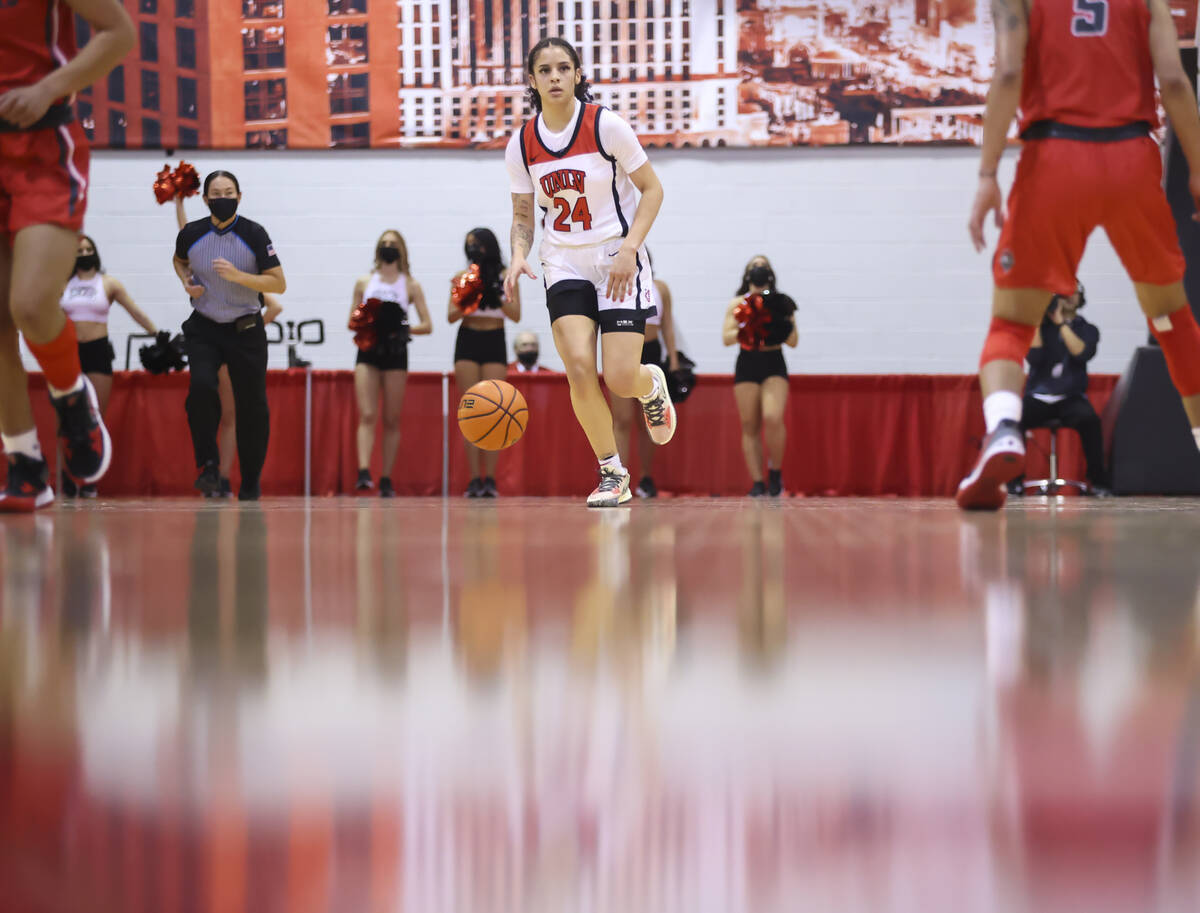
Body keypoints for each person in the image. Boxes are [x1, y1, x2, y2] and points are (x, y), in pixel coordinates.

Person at [960, 0, 1200, 510]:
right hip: (1131, 160)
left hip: (1054, 160)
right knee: (1172, 320)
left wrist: (986, 175)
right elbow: (1175, 82)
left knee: (1010, 326)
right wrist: (1198, 169)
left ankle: (1004, 430)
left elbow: (1007, 73)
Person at [503, 36, 675, 507]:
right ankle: (611, 472)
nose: (555, 77)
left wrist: (631, 249)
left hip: (615, 258)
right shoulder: (522, 143)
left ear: (578, 74)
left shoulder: (606, 125)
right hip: (562, 260)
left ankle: (649, 384)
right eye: (545, 70)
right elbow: (522, 214)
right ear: (532, 81)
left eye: (564, 68)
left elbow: (652, 190)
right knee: (579, 367)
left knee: (619, 378)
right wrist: (519, 253)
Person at [0, 0, 134, 512]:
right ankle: (25, 465)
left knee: (31, 304)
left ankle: (71, 395)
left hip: (41, 146)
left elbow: (119, 34)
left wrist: (47, 88)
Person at [173, 170, 286, 501]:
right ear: (206, 199)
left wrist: (240, 276)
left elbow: (278, 283)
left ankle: (250, 479)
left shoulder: (253, 233)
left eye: (229, 192)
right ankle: (208, 466)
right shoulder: (191, 233)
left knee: (253, 408)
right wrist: (185, 282)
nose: (222, 197)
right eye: (216, 193)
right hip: (205, 327)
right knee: (201, 388)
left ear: (239, 196)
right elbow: (179, 261)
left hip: (246, 329)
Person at [59, 234, 160, 497]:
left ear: (95, 252)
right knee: (68, 418)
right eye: (78, 249)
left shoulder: (108, 283)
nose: (83, 253)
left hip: (97, 352)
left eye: (88, 249)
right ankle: (67, 476)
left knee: (93, 417)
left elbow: (134, 311)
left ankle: (90, 478)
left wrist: (157, 334)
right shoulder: (62, 284)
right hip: (69, 353)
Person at [349, 229, 431, 498]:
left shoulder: (410, 284)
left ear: (402, 250)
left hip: (396, 352)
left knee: (391, 417)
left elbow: (427, 325)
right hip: (369, 351)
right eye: (384, 243)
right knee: (368, 414)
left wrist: (402, 327)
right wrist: (370, 322)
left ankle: (386, 477)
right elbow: (352, 320)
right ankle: (363, 471)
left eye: (393, 244)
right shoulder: (364, 281)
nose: (388, 247)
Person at [1008, 282, 1110, 495]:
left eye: (1075, 291)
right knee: (1015, 418)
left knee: (1090, 421)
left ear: (1081, 298)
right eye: (1064, 292)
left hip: (1071, 398)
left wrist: (1061, 323)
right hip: (1038, 397)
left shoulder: (1088, 329)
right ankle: (1013, 481)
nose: (1069, 296)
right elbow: (1034, 358)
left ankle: (1099, 482)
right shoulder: (1041, 327)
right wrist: (1036, 317)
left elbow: (1080, 353)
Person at [448, 227, 520, 498]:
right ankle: (473, 479)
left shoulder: (505, 276)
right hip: (468, 340)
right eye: (469, 245)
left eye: (476, 244)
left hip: (494, 339)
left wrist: (494, 293)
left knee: (494, 411)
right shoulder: (461, 277)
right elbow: (450, 316)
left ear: (488, 245)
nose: (473, 249)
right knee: (470, 412)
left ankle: (490, 478)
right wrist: (470, 295)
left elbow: (516, 314)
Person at [721, 255, 797, 497]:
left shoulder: (782, 302)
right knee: (749, 425)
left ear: (770, 273)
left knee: (773, 417)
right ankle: (757, 482)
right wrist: (747, 324)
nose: (759, 270)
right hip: (747, 363)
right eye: (755, 266)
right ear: (747, 273)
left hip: (773, 363)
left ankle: (775, 471)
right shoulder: (737, 303)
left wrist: (775, 321)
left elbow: (793, 340)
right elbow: (726, 338)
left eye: (763, 266)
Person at [611, 249, 679, 498]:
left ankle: (646, 477)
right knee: (621, 419)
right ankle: (618, 476)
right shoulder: (615, 282)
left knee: (648, 420)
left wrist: (673, 359)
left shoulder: (660, 288)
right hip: (622, 349)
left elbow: (668, 327)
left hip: (651, 351)